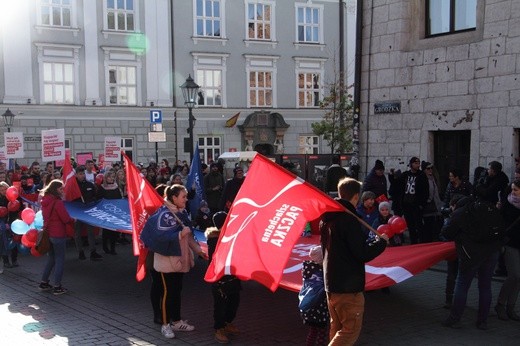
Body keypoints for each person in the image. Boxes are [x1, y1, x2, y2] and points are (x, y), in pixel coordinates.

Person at [320, 177, 387, 345]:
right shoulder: (348, 220)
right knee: (349, 330)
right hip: (347, 286)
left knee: (337, 327)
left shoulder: (328, 218)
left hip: (332, 282)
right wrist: (381, 244)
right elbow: (361, 253)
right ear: (356, 197)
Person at [145, 184, 206, 339]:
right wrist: (179, 235)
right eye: (183, 196)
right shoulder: (163, 214)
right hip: (166, 261)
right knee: (167, 293)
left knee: (176, 291)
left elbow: (189, 235)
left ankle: (177, 321)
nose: (186, 199)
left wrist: (199, 251)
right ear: (174, 198)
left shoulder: (182, 212)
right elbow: (159, 237)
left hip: (180, 259)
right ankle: (165, 325)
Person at [441, 195, 504, 330]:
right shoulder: (486, 207)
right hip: (492, 251)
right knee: (485, 286)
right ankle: (482, 321)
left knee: (462, 285)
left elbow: (447, 233)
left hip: (471, 255)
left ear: (455, 205)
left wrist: (450, 220)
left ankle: (455, 318)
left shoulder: (459, 213)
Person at [206, 211, 241, 344]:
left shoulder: (231, 236)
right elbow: (215, 261)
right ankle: (219, 328)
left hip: (233, 276)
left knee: (234, 302)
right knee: (220, 305)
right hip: (220, 279)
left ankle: (228, 323)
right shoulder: (214, 240)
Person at [38, 179, 75, 295]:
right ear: (55, 189)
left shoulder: (45, 200)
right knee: (59, 260)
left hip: (49, 233)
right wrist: (73, 219)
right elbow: (65, 219)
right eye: (60, 189)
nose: (62, 191)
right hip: (58, 234)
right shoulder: (58, 202)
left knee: (51, 258)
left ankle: (44, 282)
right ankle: (57, 286)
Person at [388, 157, 429, 244]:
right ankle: (413, 242)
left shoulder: (421, 175)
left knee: (419, 225)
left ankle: (421, 243)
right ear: (411, 165)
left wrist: (422, 204)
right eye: (415, 163)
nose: (417, 165)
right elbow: (396, 183)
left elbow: (425, 191)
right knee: (410, 226)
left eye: (418, 163)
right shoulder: (405, 175)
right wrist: (391, 175)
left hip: (416, 205)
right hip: (407, 204)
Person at [495, 179, 520, 321]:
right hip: (510, 243)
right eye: (512, 189)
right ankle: (500, 304)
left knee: (519, 279)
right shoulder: (507, 205)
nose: (513, 193)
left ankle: (511, 307)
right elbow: (500, 223)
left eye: (516, 190)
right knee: (514, 275)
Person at [299, 245, 329, 346]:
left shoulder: (308, 269)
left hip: (310, 307)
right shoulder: (323, 272)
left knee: (313, 331)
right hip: (321, 308)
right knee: (322, 332)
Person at [73, 166, 103, 261]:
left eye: (83, 174)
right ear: (76, 175)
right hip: (78, 212)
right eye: (80, 174)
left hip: (89, 212)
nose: (82, 176)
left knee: (91, 232)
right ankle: (80, 252)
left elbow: (95, 196)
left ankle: (92, 251)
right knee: (77, 233)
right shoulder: (73, 186)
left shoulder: (89, 185)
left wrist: (92, 202)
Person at [96, 170, 123, 255]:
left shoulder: (116, 187)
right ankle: (105, 247)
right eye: (109, 177)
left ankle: (113, 248)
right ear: (105, 178)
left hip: (115, 213)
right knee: (106, 231)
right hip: (105, 213)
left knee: (114, 231)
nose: (111, 178)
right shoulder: (102, 188)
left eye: (113, 177)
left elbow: (119, 199)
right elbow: (98, 199)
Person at [421, 161, 443, 243]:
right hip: (427, 206)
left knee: (434, 226)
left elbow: (436, 193)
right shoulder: (423, 179)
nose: (430, 170)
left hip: (435, 205)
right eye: (428, 168)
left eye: (431, 168)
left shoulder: (434, 178)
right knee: (427, 226)